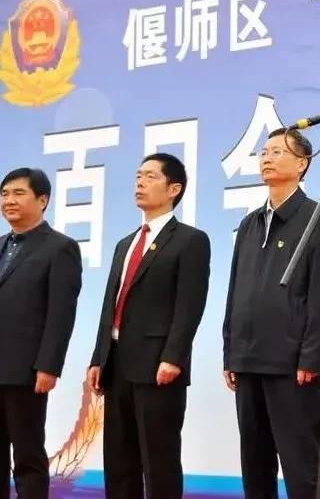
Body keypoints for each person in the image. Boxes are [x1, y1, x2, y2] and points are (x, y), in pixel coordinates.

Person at [222, 128, 320, 499]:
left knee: (301, 464)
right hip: (247, 360)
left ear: (302, 163)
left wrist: (312, 355)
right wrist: (230, 351)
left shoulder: (318, 219)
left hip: (292, 365)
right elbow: (235, 291)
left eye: (278, 151)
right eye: (264, 151)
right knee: (254, 465)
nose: (267, 157)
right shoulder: (249, 224)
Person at [87, 153, 210, 499]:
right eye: (138, 175)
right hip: (118, 365)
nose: (140, 182)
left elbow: (190, 305)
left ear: (174, 188)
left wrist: (174, 356)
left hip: (159, 366)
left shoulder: (190, 240)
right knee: (119, 459)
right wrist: (99, 358)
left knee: (159, 460)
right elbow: (110, 305)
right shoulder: (125, 244)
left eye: (150, 176)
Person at [0, 168, 82, 499]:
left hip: (26, 371)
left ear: (43, 199)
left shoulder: (59, 247)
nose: (8, 201)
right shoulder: (2, 245)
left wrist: (48, 366)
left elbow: (61, 313)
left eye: (18, 193)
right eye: (4, 194)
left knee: (28, 454)